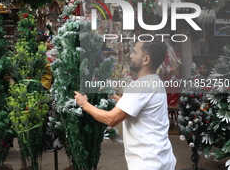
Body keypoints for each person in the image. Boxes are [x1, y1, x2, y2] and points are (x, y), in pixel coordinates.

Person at [74, 38, 176, 170]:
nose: (131, 56)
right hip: (162, 158)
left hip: (147, 162)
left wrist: (84, 104)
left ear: (146, 59)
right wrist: (113, 95)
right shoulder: (154, 81)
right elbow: (134, 107)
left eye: (134, 52)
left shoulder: (139, 86)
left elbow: (111, 119)